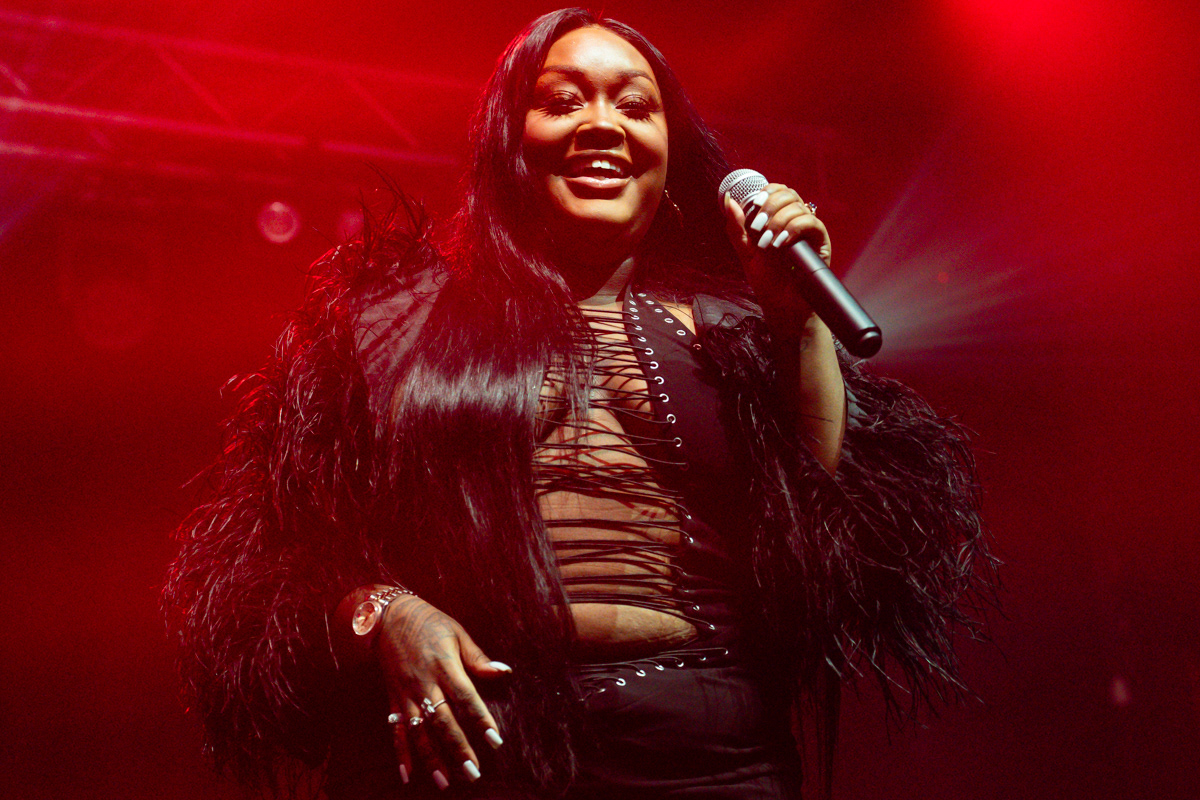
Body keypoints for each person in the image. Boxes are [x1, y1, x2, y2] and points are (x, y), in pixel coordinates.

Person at [163, 9, 993, 800]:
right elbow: (285, 559)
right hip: (478, 744)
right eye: (563, 101)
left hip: (709, 748)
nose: (603, 124)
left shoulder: (739, 331)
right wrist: (386, 613)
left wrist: (796, 323)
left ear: (669, 153)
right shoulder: (390, 325)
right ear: (507, 142)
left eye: (635, 106)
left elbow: (821, 522)